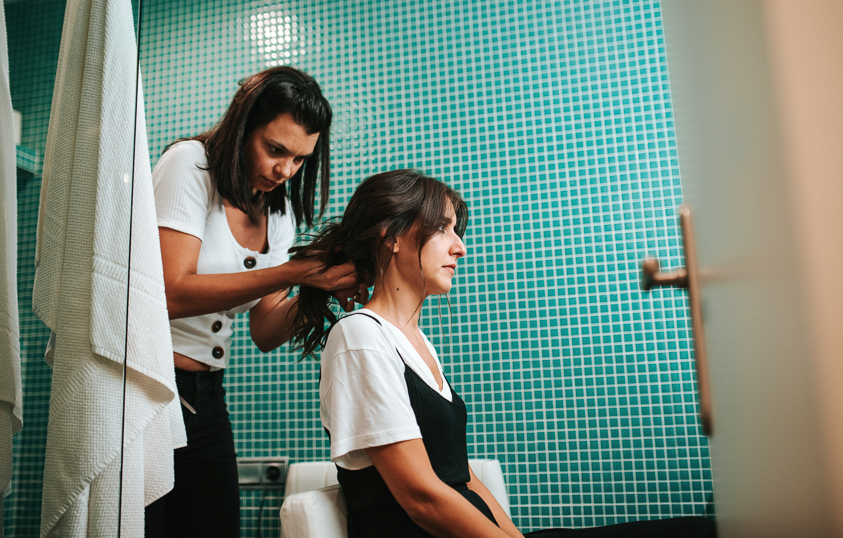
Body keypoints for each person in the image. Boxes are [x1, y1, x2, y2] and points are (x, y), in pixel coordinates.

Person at [289, 169, 716, 538]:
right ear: (392, 236)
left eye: (457, 231)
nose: (460, 247)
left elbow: (462, 477)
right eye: (443, 229)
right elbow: (421, 497)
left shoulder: (414, 342)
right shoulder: (360, 336)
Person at [146, 66, 366, 537]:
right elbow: (168, 291)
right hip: (148, 388)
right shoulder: (191, 164)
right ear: (244, 125)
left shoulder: (277, 209)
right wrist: (295, 270)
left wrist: (318, 287)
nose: (284, 170)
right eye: (275, 149)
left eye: (300, 159)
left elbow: (265, 330)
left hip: (205, 398)